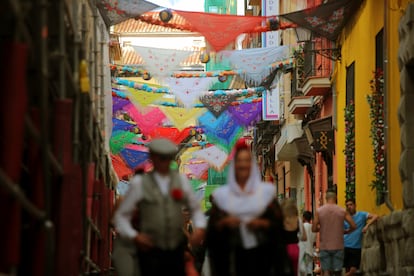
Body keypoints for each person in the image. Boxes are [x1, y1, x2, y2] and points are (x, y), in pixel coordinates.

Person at [113, 138, 206, 276]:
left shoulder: (181, 182)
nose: (166, 163)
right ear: (153, 159)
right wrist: (135, 236)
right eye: (162, 158)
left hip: (175, 249)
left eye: (169, 158)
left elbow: (195, 209)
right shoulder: (140, 183)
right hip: (150, 249)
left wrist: (199, 229)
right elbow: (121, 216)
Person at [205, 137, 291, 276]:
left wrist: (263, 224)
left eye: (246, 161)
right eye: (239, 161)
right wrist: (225, 223)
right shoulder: (223, 197)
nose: (243, 165)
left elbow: (278, 227)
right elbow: (212, 233)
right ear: (234, 166)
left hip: (262, 258)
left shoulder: (266, 194)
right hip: (232, 259)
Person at [312, 191, 356, 276]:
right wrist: (346, 231)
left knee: (326, 271)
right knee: (338, 271)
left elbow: (313, 228)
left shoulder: (319, 211)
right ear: (335, 198)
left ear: (326, 198)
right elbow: (353, 225)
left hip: (324, 246)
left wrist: (321, 228)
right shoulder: (342, 211)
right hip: (338, 246)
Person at [343, 198, 379, 276]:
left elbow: (375, 216)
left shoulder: (362, 215)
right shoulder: (345, 218)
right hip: (345, 246)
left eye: (351, 205)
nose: (349, 207)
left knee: (353, 270)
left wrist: (367, 226)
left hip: (356, 247)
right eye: (347, 205)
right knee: (346, 269)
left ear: (355, 205)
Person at [282, 198, 307, 276]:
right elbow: (304, 237)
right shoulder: (298, 220)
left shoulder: (280, 220)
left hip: (283, 249)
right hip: (295, 249)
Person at [299, 211, 316, 276]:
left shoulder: (302, 227)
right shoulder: (313, 228)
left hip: (304, 252)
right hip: (310, 252)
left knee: (303, 271)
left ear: (304, 217)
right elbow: (314, 242)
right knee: (309, 271)